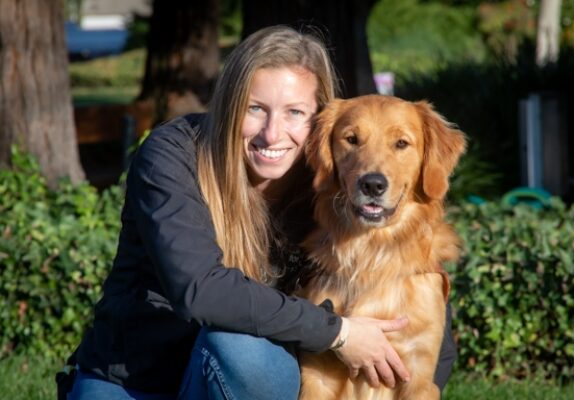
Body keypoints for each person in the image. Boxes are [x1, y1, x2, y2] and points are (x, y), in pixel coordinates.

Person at [66, 25, 456, 400]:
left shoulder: (328, 175)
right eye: (255, 108)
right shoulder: (172, 156)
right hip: (137, 380)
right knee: (241, 343)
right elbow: (201, 290)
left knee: (245, 352)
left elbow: (416, 288)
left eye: (294, 112)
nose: (273, 134)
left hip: (240, 372)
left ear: (315, 121)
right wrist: (339, 333)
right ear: (230, 105)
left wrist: (415, 367)